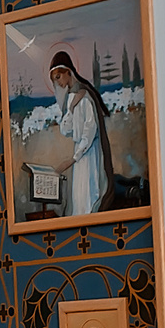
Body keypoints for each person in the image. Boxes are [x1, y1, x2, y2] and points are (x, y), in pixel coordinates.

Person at [48, 50, 113, 216]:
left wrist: (71, 160)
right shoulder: (71, 98)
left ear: (68, 72)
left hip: (89, 154)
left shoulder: (85, 98)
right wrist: (69, 109)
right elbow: (66, 130)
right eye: (55, 80)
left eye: (58, 77)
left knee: (88, 197)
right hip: (79, 155)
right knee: (78, 200)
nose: (58, 83)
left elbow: (88, 134)